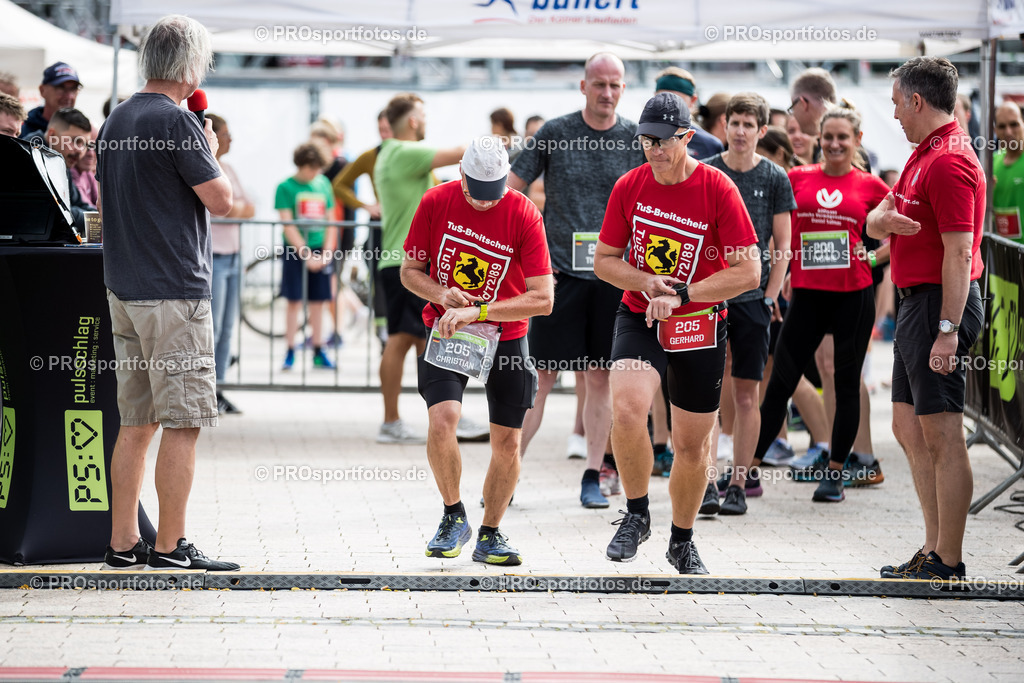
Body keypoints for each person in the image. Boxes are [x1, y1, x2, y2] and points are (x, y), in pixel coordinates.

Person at [594, 92, 760, 572]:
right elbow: (605, 261)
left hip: (700, 325)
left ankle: (682, 540)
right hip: (640, 316)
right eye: (646, 141)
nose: (655, 150)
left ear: (687, 137)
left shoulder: (716, 187)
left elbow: (748, 272)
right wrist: (646, 282)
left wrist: (684, 295)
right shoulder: (630, 185)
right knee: (626, 409)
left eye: (665, 141)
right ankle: (637, 513)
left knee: (692, 446)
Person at [97, 14, 237, 571]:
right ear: (190, 64)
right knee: (183, 420)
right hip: (175, 292)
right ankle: (171, 545)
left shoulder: (116, 119)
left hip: (125, 286)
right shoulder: (179, 123)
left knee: (136, 422)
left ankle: (121, 542)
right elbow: (221, 200)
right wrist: (211, 148)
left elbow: (107, 209)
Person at [401, 137, 554, 565]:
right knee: (442, 418)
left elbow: (543, 299)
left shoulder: (524, 212)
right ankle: (454, 516)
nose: (485, 204)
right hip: (447, 330)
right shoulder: (436, 201)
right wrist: (441, 293)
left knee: (507, 441)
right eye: (476, 194)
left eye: (494, 193)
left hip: (505, 335)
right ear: (462, 176)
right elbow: (410, 271)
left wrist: (482, 310)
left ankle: (491, 533)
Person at [508, 52, 646, 509]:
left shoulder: (635, 138)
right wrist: (511, 249)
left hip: (614, 274)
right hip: (561, 275)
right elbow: (513, 188)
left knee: (601, 378)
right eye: (599, 84)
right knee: (539, 379)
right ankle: (508, 469)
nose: (607, 93)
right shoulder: (555, 132)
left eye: (616, 85)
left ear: (624, 89)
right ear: (583, 86)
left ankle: (592, 474)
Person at [868, 56, 985, 581]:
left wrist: (947, 330)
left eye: (896, 103)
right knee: (907, 427)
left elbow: (961, 254)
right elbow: (877, 220)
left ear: (917, 100)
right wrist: (882, 221)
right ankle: (933, 547)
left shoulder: (950, 160)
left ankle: (948, 559)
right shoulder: (922, 155)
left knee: (941, 433)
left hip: (939, 303)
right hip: (917, 302)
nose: (894, 114)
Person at [744, 104, 890, 504]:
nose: (835, 144)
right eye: (829, 137)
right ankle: (747, 474)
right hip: (806, 297)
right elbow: (779, 233)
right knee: (779, 386)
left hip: (853, 298)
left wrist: (873, 257)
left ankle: (836, 474)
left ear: (857, 141)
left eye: (843, 137)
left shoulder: (873, 187)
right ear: (818, 140)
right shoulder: (797, 179)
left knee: (843, 386)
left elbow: (906, 231)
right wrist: (781, 274)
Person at [703, 93, 796, 516]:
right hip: (707, 297)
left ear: (762, 130)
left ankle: (739, 482)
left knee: (746, 394)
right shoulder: (706, 172)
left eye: (748, 124)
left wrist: (771, 295)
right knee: (704, 391)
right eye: (734, 122)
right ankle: (705, 480)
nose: (740, 131)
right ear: (724, 125)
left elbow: (783, 245)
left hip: (752, 299)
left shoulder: (775, 177)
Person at [374, 93, 466, 443]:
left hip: (403, 261)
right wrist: (498, 141)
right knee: (402, 340)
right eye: (423, 115)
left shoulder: (393, 155)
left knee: (417, 339)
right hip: (406, 263)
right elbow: (461, 152)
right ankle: (393, 421)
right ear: (412, 121)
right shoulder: (402, 152)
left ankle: (441, 413)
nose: (426, 121)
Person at [207, 113, 255, 414]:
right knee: (211, 328)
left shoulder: (229, 168)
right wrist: (232, 207)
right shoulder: (205, 166)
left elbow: (248, 207)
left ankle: (219, 388)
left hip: (233, 255)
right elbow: (217, 207)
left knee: (226, 328)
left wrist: (231, 207)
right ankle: (206, 388)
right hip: (213, 256)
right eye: (226, 132)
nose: (231, 138)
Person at [275, 142, 338, 371]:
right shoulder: (285, 187)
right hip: (296, 251)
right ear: (301, 165)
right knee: (293, 302)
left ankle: (319, 350)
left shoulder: (323, 184)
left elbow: (331, 221)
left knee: (318, 302)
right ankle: (290, 349)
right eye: (312, 168)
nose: (315, 173)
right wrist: (305, 254)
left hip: (320, 249)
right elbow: (287, 224)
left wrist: (327, 253)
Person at [32, 107, 95, 232]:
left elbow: (77, 203)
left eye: (85, 144)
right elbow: (59, 213)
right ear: (51, 135)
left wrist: (104, 215)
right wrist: (99, 219)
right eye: (75, 141)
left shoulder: (60, 159)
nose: (81, 150)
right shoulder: (32, 156)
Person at [653, 67, 723, 160]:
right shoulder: (643, 140)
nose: (669, 107)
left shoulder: (710, 145)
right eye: (663, 99)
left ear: (692, 101)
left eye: (678, 101)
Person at [21, 61, 81, 139]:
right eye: (61, 88)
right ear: (42, 90)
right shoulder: (20, 130)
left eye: (73, 89)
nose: (69, 96)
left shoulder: (85, 131)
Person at [992, 101, 1024, 244]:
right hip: (1003, 256)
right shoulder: (992, 163)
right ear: (995, 130)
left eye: (1014, 124)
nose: (1008, 132)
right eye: (1002, 126)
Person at [72, 127, 99, 207]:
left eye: (95, 147)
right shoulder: (71, 173)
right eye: (86, 146)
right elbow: (86, 208)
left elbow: (102, 201)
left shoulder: (87, 173)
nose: (91, 154)